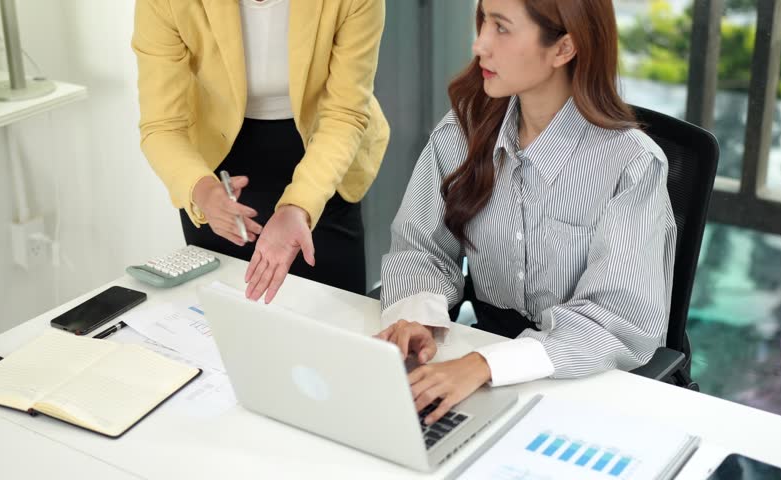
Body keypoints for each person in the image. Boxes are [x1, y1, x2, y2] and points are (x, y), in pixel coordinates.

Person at [376, 0, 676, 425]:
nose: (479, 44)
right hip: (480, 373)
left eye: (501, 28)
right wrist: (417, 318)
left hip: (586, 387)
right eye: (483, 21)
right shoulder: (463, 131)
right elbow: (421, 247)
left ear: (563, 48)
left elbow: (615, 320)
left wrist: (484, 364)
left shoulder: (631, 165)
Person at [132, 0, 389, 302]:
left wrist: (300, 206)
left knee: (335, 311)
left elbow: (344, 115)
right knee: (220, 315)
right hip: (217, 172)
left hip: (325, 163)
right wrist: (203, 192)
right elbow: (162, 125)